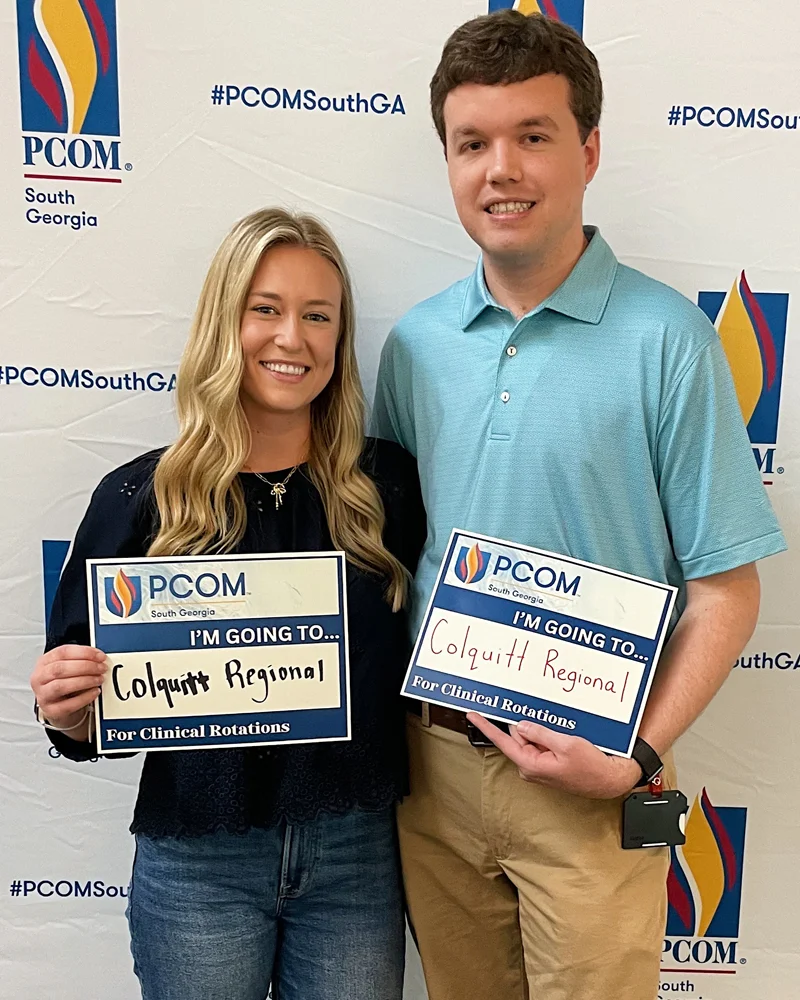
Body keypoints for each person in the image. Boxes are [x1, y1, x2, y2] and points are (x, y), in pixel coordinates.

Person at [373, 11, 786, 1000]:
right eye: (472, 143)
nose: (499, 169)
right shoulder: (415, 346)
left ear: (589, 149)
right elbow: (383, 554)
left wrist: (635, 753)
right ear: (447, 160)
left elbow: (725, 588)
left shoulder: (667, 343)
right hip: (435, 771)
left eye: (532, 136)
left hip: (592, 780)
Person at [30, 208, 425, 1000]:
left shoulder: (388, 487)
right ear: (225, 322)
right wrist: (67, 707)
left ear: (340, 339)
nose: (293, 337)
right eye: (266, 309)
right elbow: (82, 715)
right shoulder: (141, 499)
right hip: (197, 863)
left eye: (319, 316)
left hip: (355, 852)